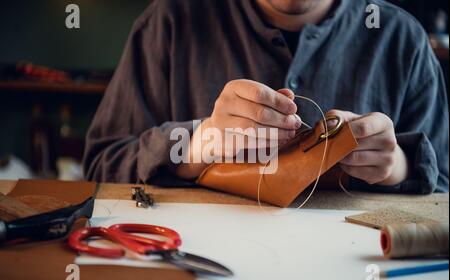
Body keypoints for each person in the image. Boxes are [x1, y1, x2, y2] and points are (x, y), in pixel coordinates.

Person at [84, 0, 449, 194]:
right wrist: (195, 145)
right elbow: (102, 166)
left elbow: (443, 190)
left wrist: (397, 165)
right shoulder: (171, 21)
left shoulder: (402, 40)